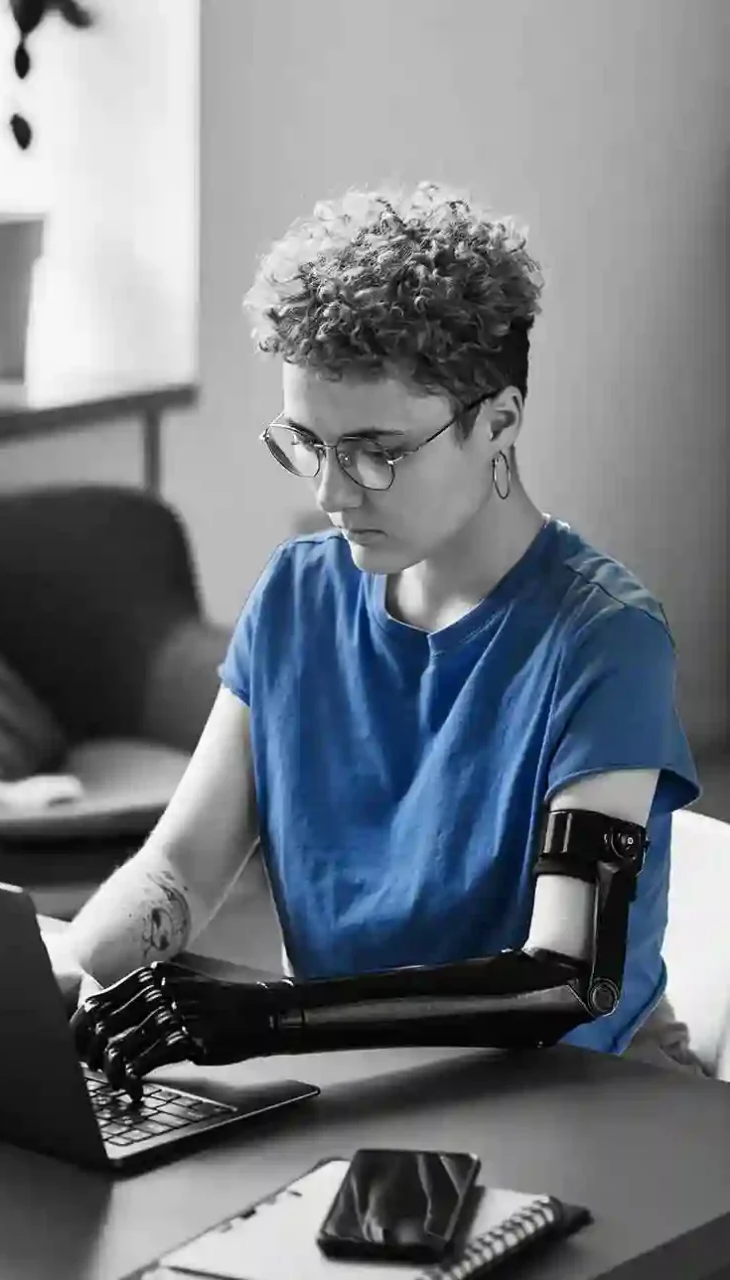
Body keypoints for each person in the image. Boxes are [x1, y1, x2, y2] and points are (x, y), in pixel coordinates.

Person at [46, 180, 706, 1091]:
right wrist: (62, 976)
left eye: (375, 451)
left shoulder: (603, 641)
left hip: (582, 1098)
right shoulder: (294, 598)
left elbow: (565, 980)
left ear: (498, 423)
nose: (331, 491)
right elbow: (180, 873)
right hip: (361, 1085)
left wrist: (270, 1018)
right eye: (307, 444)